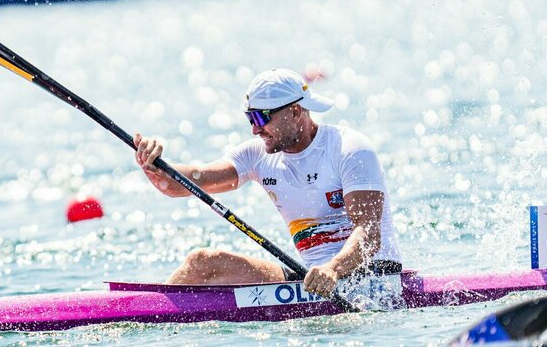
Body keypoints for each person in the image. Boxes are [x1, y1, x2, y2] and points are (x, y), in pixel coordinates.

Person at [134, 68, 401, 299]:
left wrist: (332, 269)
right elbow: (187, 182)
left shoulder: (350, 149)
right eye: (250, 118)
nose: (254, 129)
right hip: (309, 281)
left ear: (296, 112)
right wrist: (154, 161)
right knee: (202, 262)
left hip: (371, 275)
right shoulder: (257, 155)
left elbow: (369, 233)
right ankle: (146, 313)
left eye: (262, 118)